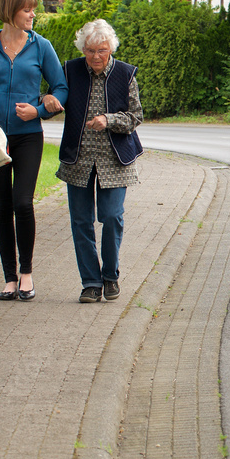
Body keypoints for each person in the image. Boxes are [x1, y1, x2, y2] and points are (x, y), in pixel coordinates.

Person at [0, 0, 67, 301]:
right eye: (27, 9)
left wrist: (38, 109)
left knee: (22, 202)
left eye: (33, 9)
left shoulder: (41, 47)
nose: (33, 14)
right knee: (2, 206)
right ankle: (9, 278)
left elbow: (61, 87)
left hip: (28, 138)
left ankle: (27, 274)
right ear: (10, 12)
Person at [57, 19, 144, 303]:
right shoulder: (70, 70)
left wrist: (108, 120)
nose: (96, 56)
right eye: (90, 50)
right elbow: (54, 99)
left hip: (115, 158)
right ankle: (91, 282)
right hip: (78, 157)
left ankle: (110, 276)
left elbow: (135, 117)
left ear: (111, 50)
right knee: (81, 221)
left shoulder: (125, 73)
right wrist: (46, 101)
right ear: (83, 49)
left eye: (102, 50)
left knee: (111, 216)